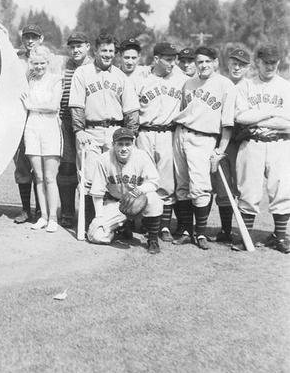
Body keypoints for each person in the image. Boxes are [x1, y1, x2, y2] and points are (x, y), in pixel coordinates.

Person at [69, 33, 139, 231]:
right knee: (89, 178)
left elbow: (131, 111)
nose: (107, 54)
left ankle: (117, 224)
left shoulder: (120, 76)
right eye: (104, 50)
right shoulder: (82, 73)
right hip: (90, 131)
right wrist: (78, 130)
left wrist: (130, 136)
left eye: (111, 51)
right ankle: (89, 224)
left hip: (115, 131)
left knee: (116, 178)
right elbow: (76, 105)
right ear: (96, 51)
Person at [171, 46, 234, 250]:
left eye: (208, 61)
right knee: (182, 186)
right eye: (200, 62)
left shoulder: (225, 85)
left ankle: (201, 233)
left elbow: (227, 123)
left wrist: (220, 149)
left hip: (204, 138)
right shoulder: (188, 83)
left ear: (216, 62)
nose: (203, 65)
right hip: (181, 133)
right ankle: (187, 231)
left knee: (200, 187)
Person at [232, 44, 290, 253]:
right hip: (253, 143)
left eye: (274, 62)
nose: (270, 66)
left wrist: (258, 118)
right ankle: (245, 237)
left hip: (280, 143)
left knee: (282, 189)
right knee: (248, 190)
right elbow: (241, 117)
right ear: (257, 62)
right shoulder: (246, 86)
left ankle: (281, 237)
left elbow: (288, 123)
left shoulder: (286, 86)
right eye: (266, 62)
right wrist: (270, 114)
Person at [135, 42, 188, 241]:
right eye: (168, 59)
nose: (172, 63)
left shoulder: (182, 79)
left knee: (166, 181)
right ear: (156, 59)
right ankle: (148, 224)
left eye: (174, 58)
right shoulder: (141, 77)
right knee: (145, 179)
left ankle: (164, 226)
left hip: (168, 133)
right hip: (144, 132)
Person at [87, 128, 163, 254]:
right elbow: (97, 192)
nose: (124, 148)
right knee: (95, 235)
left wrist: (137, 191)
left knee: (154, 199)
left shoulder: (141, 156)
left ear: (132, 145)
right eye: (120, 144)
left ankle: (153, 239)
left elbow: (154, 182)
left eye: (127, 144)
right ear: (113, 145)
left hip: (138, 202)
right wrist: (99, 217)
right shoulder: (103, 159)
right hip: (115, 203)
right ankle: (121, 228)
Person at [20, 45, 62, 232]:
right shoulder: (29, 79)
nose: (39, 67)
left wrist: (31, 105)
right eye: (35, 63)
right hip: (32, 128)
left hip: (50, 128)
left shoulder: (55, 80)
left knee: (49, 176)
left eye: (42, 63)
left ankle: (53, 217)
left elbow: (54, 106)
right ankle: (43, 216)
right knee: (37, 176)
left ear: (48, 62)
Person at [210, 47, 250, 242]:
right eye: (234, 63)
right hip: (221, 139)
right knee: (222, 185)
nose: (237, 67)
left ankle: (244, 231)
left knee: (243, 186)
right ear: (228, 64)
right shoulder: (221, 84)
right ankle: (226, 230)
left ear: (248, 68)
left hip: (243, 141)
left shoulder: (250, 86)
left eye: (241, 65)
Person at [57, 31, 92, 228]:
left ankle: (88, 215)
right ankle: (68, 212)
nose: (75, 50)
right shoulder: (64, 64)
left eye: (79, 46)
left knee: (87, 169)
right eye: (72, 46)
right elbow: (35, 52)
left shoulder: (93, 66)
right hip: (65, 120)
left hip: (88, 123)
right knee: (67, 166)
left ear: (88, 46)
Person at [12, 24, 45, 224]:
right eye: (27, 37)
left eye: (34, 37)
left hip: (41, 117)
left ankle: (42, 210)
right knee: (22, 166)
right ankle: (25, 210)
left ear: (41, 38)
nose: (30, 41)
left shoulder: (48, 59)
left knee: (40, 165)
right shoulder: (15, 59)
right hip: (20, 117)